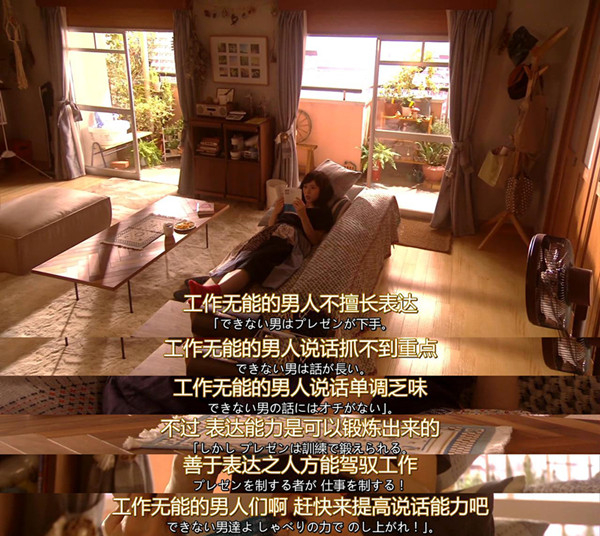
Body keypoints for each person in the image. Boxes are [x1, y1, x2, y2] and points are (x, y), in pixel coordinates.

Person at [186, 170, 334, 299]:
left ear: (322, 190)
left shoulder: (323, 212)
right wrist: (275, 212)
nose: (307, 191)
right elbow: (271, 226)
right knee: (243, 255)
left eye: (313, 188)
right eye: (305, 187)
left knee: (255, 261)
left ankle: (212, 292)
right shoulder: (294, 203)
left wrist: (303, 215)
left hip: (289, 241)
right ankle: (210, 287)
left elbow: (314, 240)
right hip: (272, 234)